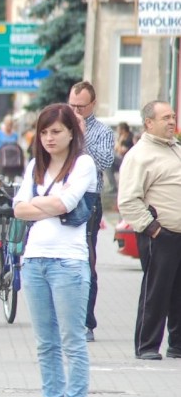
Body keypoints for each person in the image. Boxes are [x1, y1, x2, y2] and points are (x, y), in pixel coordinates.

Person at [13, 103, 96, 397]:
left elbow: (67, 203)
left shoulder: (83, 164)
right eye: (44, 131)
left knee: (72, 340)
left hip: (68, 261)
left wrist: (40, 206)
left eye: (56, 131)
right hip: (34, 261)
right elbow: (18, 209)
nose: (49, 137)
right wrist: (45, 206)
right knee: (45, 342)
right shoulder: (35, 166)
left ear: (71, 133)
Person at [118, 100, 181, 361]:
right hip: (160, 234)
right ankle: (146, 346)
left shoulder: (175, 148)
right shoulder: (139, 155)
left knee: (178, 292)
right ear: (149, 123)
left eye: (173, 116)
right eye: (165, 117)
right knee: (156, 292)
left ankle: (177, 344)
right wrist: (153, 229)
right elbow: (127, 200)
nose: (171, 121)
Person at [68, 81, 115, 343]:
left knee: (86, 259)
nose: (75, 111)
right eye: (71, 105)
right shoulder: (60, 125)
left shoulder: (102, 131)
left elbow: (106, 162)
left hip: (89, 198)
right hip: (61, 197)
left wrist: (82, 136)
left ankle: (87, 322)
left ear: (92, 105)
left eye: (81, 107)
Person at [110, 122, 134, 193]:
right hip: (121, 159)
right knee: (108, 165)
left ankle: (113, 187)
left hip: (127, 161)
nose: (117, 131)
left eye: (118, 129)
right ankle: (113, 186)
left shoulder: (130, 138)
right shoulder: (121, 137)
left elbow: (120, 151)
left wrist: (119, 142)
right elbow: (116, 148)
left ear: (123, 130)